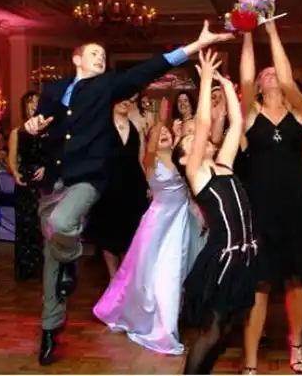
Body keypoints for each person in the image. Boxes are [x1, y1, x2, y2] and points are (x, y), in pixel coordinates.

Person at [22, 20, 233, 366]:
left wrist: (195, 46)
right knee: (51, 256)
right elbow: (41, 122)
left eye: (103, 55)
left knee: (61, 226)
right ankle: (50, 327)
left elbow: (149, 69)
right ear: (77, 59)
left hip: (87, 179)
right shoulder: (54, 88)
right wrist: (31, 126)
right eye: (94, 53)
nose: (100, 58)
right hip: (54, 180)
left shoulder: (107, 86)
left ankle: (71, 257)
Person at [239, 23, 302, 375]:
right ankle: (250, 360)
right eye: (266, 73)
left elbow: (287, 79)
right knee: (259, 285)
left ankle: (297, 342)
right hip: (260, 206)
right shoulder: (249, 114)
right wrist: (247, 30)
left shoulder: (298, 111)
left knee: (296, 280)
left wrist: (272, 31)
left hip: (295, 204)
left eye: (275, 70)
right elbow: (245, 77)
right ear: (259, 85)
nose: (272, 74)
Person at [93, 98, 205, 355]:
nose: (163, 135)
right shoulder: (150, 160)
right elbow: (152, 144)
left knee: (173, 272)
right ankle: (155, 325)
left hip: (180, 221)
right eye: (159, 134)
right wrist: (160, 121)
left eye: (167, 134)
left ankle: (169, 321)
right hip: (158, 224)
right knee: (148, 273)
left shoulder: (181, 159)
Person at [171, 50, 257, 374]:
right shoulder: (196, 172)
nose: (200, 139)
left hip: (244, 256)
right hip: (222, 259)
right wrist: (205, 79)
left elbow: (237, 124)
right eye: (190, 140)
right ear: (184, 158)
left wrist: (228, 87)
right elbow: (205, 122)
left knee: (228, 327)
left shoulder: (224, 163)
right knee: (212, 331)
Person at [86, 95, 149, 279]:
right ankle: (113, 278)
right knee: (108, 234)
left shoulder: (136, 126)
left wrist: (148, 184)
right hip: (108, 187)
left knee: (131, 234)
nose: (125, 102)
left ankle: (126, 278)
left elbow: (141, 159)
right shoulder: (101, 127)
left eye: (129, 99)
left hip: (133, 187)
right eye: (121, 98)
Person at [8, 91, 45, 281]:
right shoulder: (17, 132)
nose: (33, 105)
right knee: (25, 225)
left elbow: (56, 155)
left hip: (44, 181)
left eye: (37, 102)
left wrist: (46, 168)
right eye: (30, 102)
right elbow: (12, 159)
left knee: (43, 224)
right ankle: (26, 269)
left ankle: (46, 268)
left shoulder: (48, 131)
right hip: (25, 180)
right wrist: (15, 174)